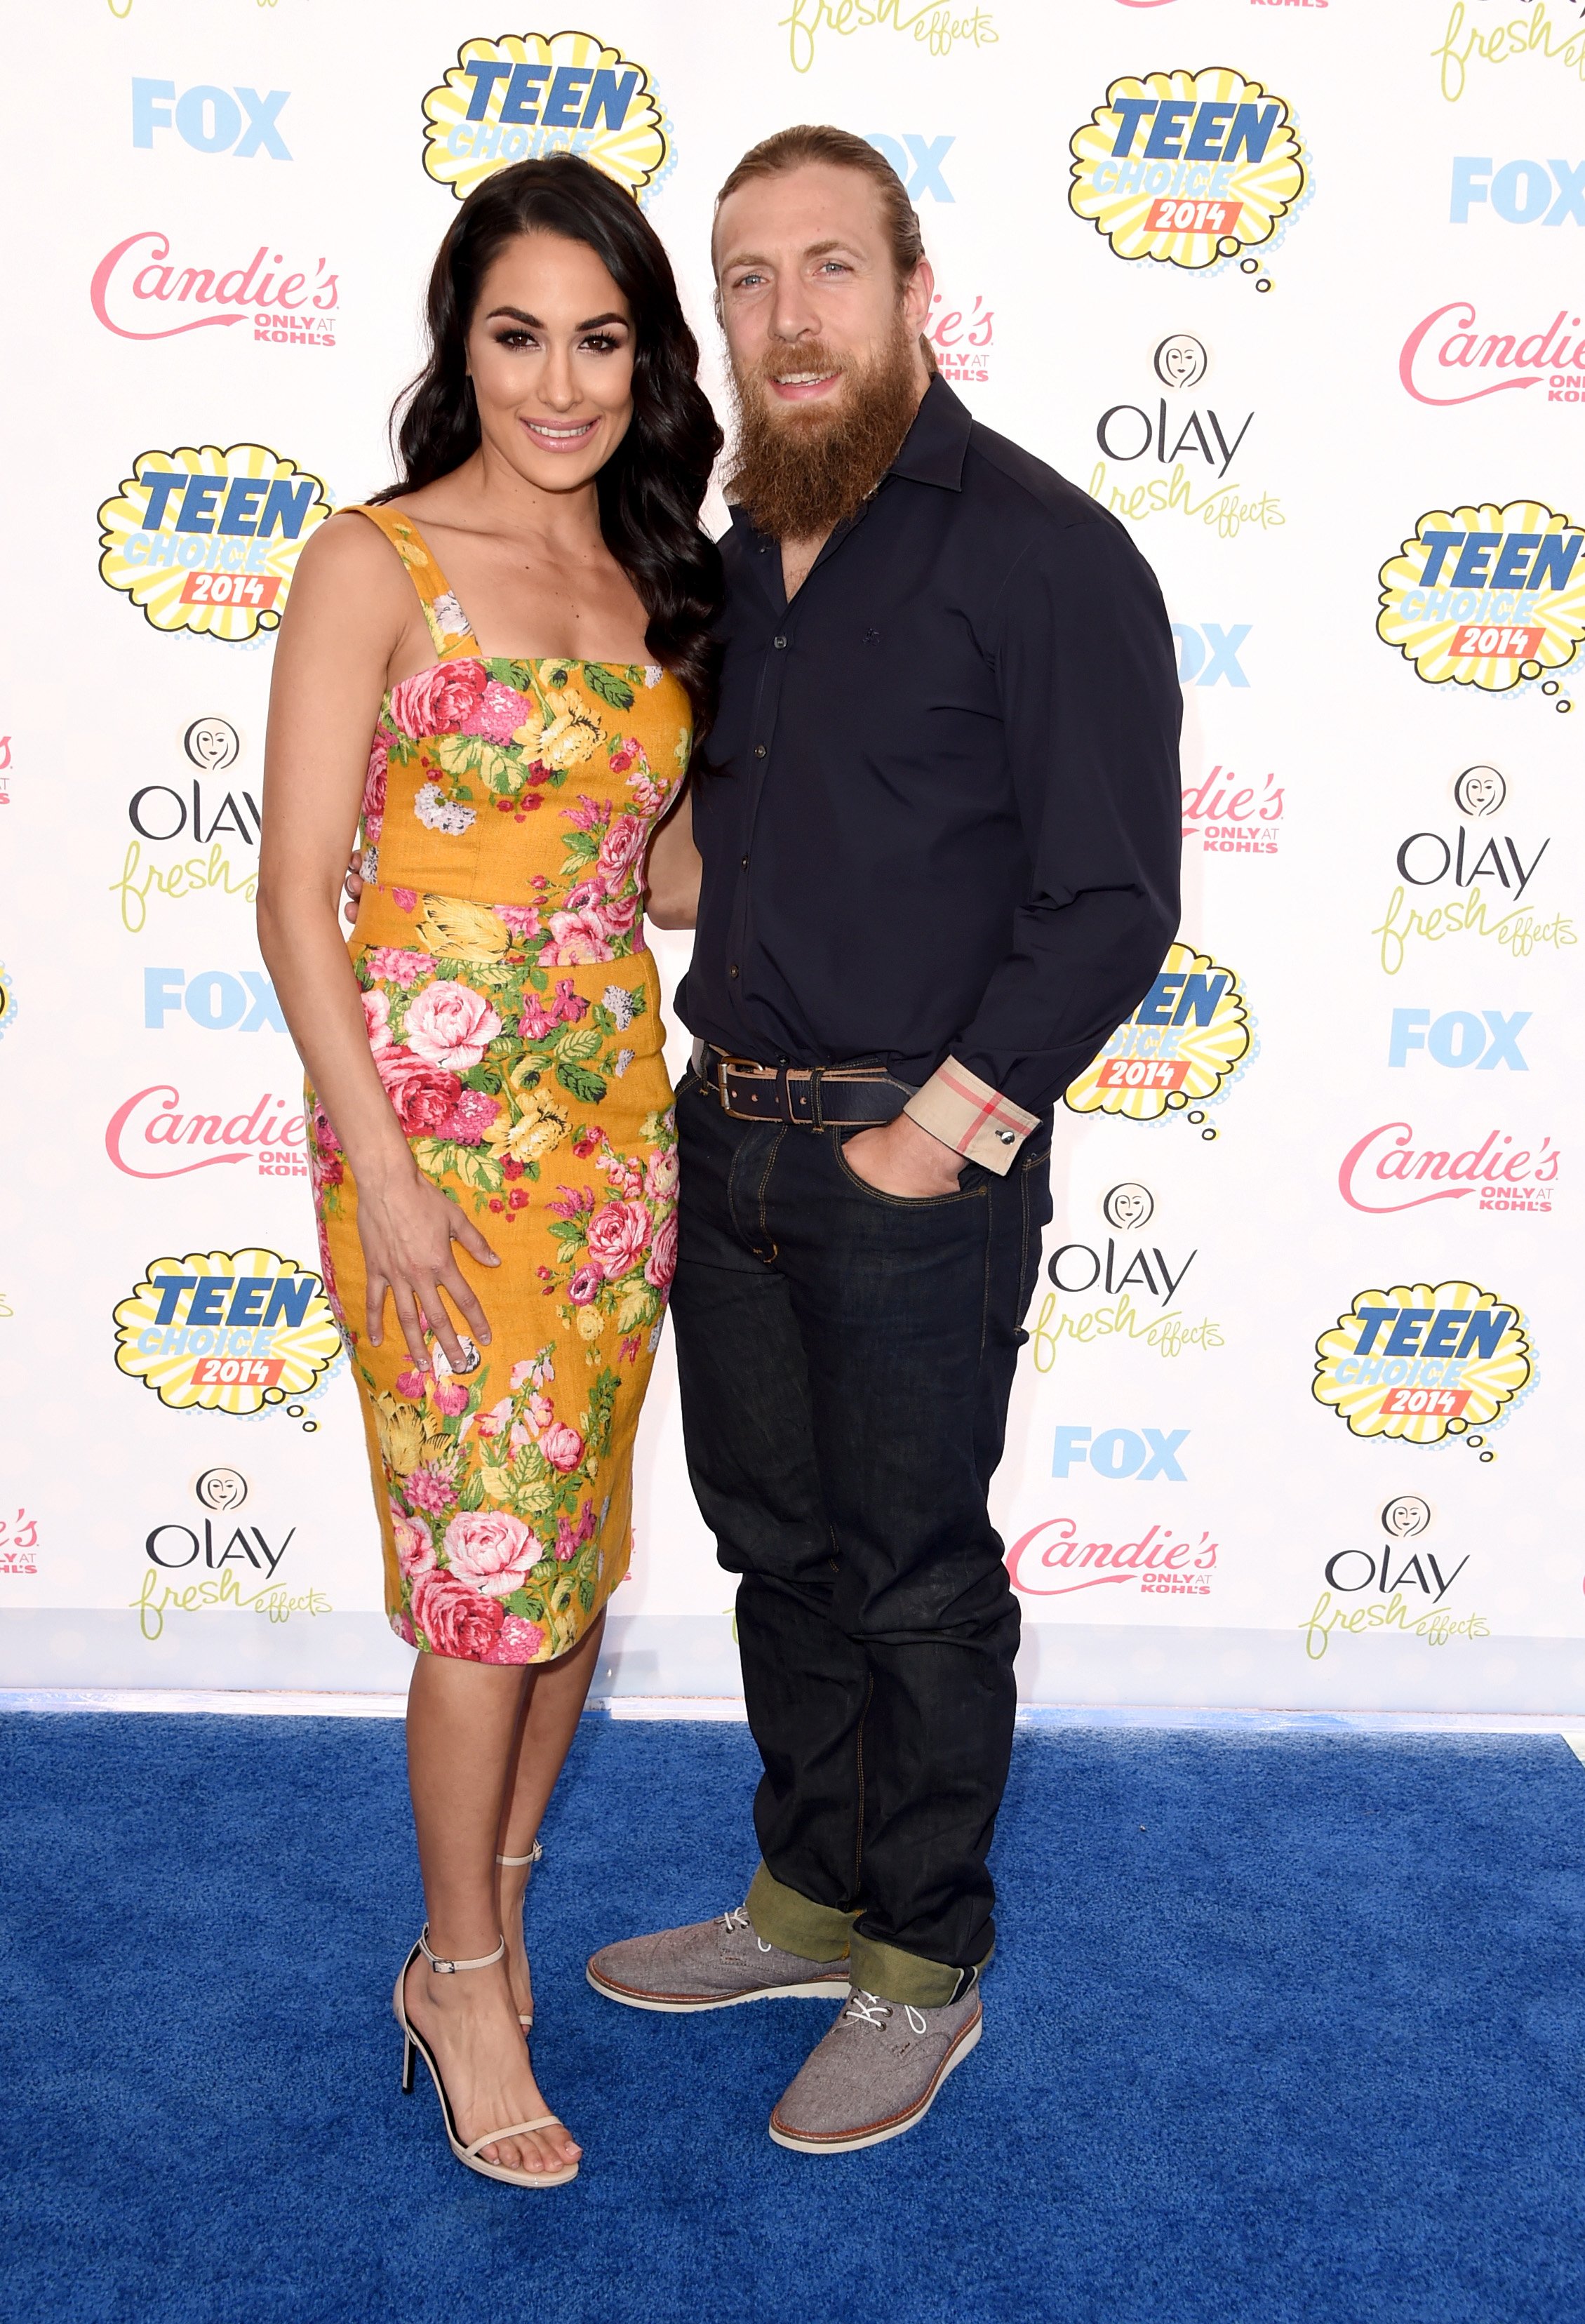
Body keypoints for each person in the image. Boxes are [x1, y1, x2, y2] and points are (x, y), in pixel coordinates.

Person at [584, 127, 1182, 2153]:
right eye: (745, 280)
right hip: (721, 1143)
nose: (786, 317)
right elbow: (731, 856)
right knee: (778, 1553)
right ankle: (805, 1899)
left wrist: (940, 1134)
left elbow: (1109, 901)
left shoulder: (1039, 550)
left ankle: (921, 1964)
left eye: (826, 268)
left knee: (914, 1576)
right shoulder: (742, 557)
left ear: (912, 286)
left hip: (905, 1170)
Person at [258, 154, 721, 2189]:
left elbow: (668, 880)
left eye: (599, 338)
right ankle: (455, 1975)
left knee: (570, 1576)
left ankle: (504, 1907)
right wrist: (388, 1172)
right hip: (428, 1148)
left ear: (646, 356)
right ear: (461, 339)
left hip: (613, 1135)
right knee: (480, 1588)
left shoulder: (651, 577)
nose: (559, 382)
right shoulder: (373, 559)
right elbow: (292, 900)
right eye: (518, 334)